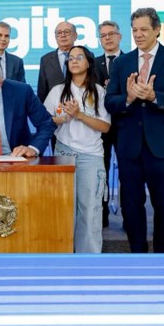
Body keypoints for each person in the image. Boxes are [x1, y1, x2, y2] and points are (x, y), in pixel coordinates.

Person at [105, 7, 164, 253]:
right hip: (130, 148)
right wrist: (129, 98)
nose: (138, 35)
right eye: (134, 30)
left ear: (157, 30)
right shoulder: (121, 62)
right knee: (131, 208)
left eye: (143, 29)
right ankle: (138, 259)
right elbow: (111, 102)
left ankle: (162, 261)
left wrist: (154, 96)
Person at [44, 46, 110, 253]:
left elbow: (106, 127)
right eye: (70, 58)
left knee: (90, 209)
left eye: (79, 57)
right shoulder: (57, 91)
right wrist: (63, 118)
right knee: (63, 209)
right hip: (64, 153)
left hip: (91, 156)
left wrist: (80, 115)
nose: (73, 61)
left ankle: (89, 260)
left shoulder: (99, 92)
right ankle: (63, 255)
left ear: (88, 62)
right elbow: (45, 121)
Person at [95, 21, 124, 229]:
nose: (107, 38)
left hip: (126, 125)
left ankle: (128, 216)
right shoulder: (93, 64)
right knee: (101, 173)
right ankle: (101, 216)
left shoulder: (132, 61)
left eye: (111, 34)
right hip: (100, 127)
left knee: (128, 173)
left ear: (120, 36)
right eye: (103, 35)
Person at [37, 22, 78, 103]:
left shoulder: (86, 56)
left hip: (81, 108)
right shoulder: (46, 60)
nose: (63, 35)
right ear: (55, 37)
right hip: (54, 110)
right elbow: (42, 92)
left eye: (66, 32)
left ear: (75, 35)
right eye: (59, 33)